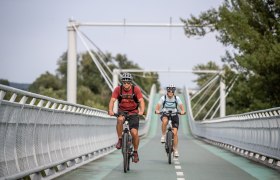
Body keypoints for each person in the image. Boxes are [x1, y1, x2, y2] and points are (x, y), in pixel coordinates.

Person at [108, 72, 145, 163]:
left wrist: (141, 111)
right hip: (122, 111)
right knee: (120, 120)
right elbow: (112, 101)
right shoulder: (118, 89)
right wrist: (110, 110)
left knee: (134, 133)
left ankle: (135, 152)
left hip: (133, 112)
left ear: (131, 82)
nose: (126, 84)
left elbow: (141, 101)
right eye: (124, 82)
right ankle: (120, 140)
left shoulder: (135, 89)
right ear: (122, 82)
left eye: (128, 82)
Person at [155, 84, 185, 157]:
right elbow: (158, 106)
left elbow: (182, 107)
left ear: (174, 91)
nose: (170, 92)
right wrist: (157, 110)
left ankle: (175, 150)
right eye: (169, 90)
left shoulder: (177, 98)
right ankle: (163, 135)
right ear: (167, 91)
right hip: (165, 114)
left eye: (172, 91)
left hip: (174, 115)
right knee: (165, 121)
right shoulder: (163, 98)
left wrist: (183, 111)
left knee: (175, 133)